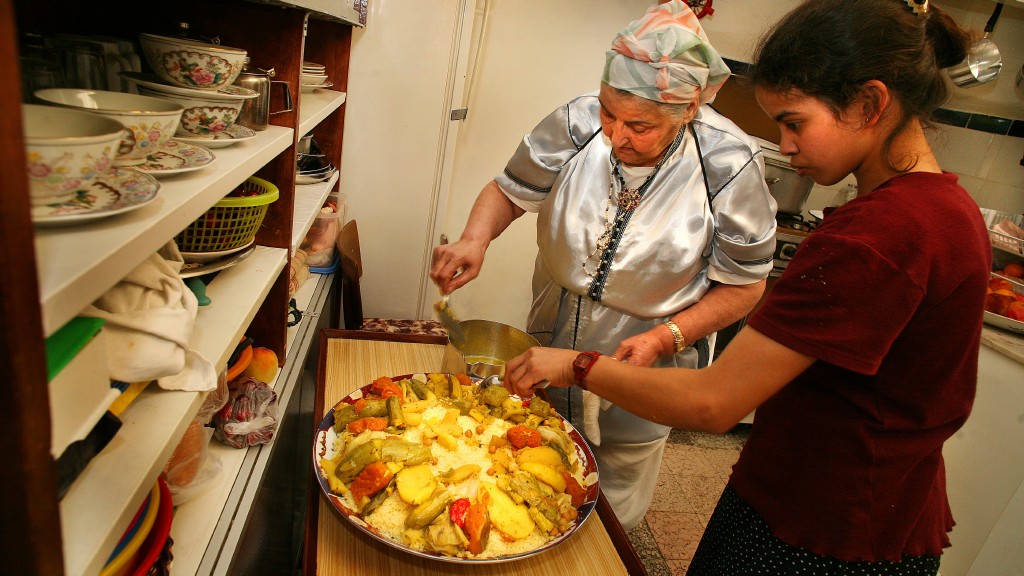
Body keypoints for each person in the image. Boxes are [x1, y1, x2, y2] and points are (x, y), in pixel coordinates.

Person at [504, 0, 990, 573]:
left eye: (793, 122)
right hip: (877, 506)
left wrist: (575, 365)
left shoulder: (879, 236)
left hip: (819, 529)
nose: (783, 145)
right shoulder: (949, 209)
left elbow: (715, 403)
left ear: (869, 104)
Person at [430, 1, 777, 531]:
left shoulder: (728, 161)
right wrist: (476, 239)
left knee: (613, 497)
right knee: (529, 462)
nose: (615, 135)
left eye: (638, 125)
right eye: (608, 113)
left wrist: (667, 337)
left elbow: (746, 285)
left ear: (686, 111)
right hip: (550, 332)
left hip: (647, 353)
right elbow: (510, 188)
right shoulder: (575, 121)